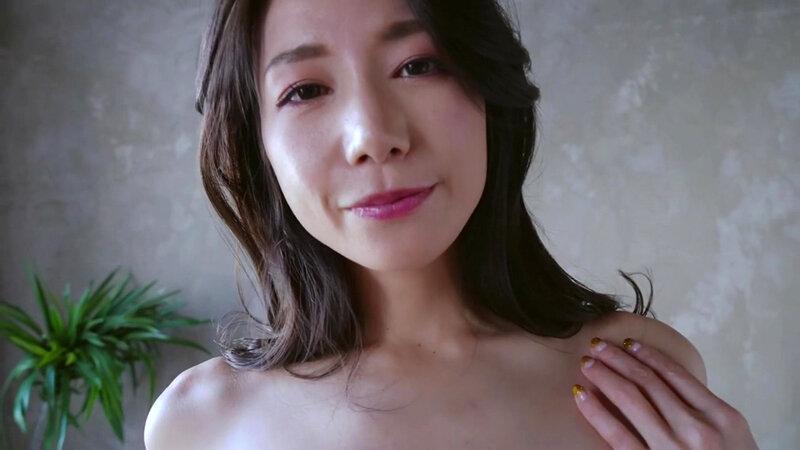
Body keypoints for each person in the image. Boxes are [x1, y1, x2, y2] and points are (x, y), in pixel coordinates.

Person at [144, 0, 758, 448]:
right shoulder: (197, 425)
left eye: (418, 65)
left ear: (489, 91)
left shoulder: (640, 373)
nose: (373, 136)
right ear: (256, 146)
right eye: (305, 90)